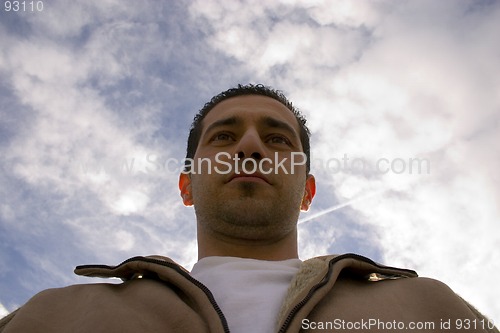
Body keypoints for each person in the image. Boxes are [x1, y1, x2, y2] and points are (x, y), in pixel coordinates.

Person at [0, 84, 497, 332]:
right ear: (186, 184)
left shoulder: (430, 310)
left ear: (308, 191)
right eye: (224, 136)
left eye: (278, 139)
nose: (252, 147)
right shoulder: (54, 315)